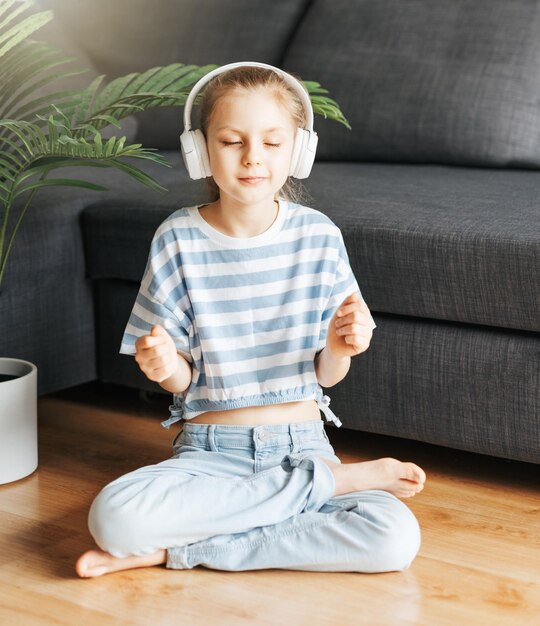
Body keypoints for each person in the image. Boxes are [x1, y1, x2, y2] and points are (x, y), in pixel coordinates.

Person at [76, 62, 426, 578]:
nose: (252, 159)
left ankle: (180, 551)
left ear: (298, 151)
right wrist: (163, 365)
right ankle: (337, 484)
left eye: (271, 142)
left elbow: (326, 376)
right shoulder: (177, 239)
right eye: (232, 141)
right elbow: (183, 381)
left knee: (394, 538)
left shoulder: (320, 236)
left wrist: (340, 347)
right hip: (210, 453)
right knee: (113, 517)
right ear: (201, 151)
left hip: (304, 444)